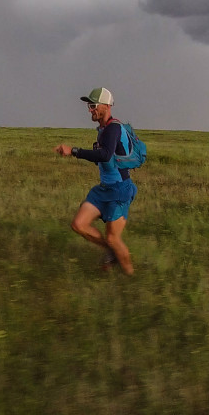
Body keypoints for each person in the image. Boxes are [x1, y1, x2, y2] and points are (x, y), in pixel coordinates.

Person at [54, 87, 138, 275]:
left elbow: (105, 155)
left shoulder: (114, 128)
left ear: (106, 106)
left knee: (113, 238)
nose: (90, 110)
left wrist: (74, 151)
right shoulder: (103, 129)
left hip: (119, 191)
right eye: (88, 106)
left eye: (93, 106)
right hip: (104, 189)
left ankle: (131, 278)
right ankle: (110, 251)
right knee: (78, 224)